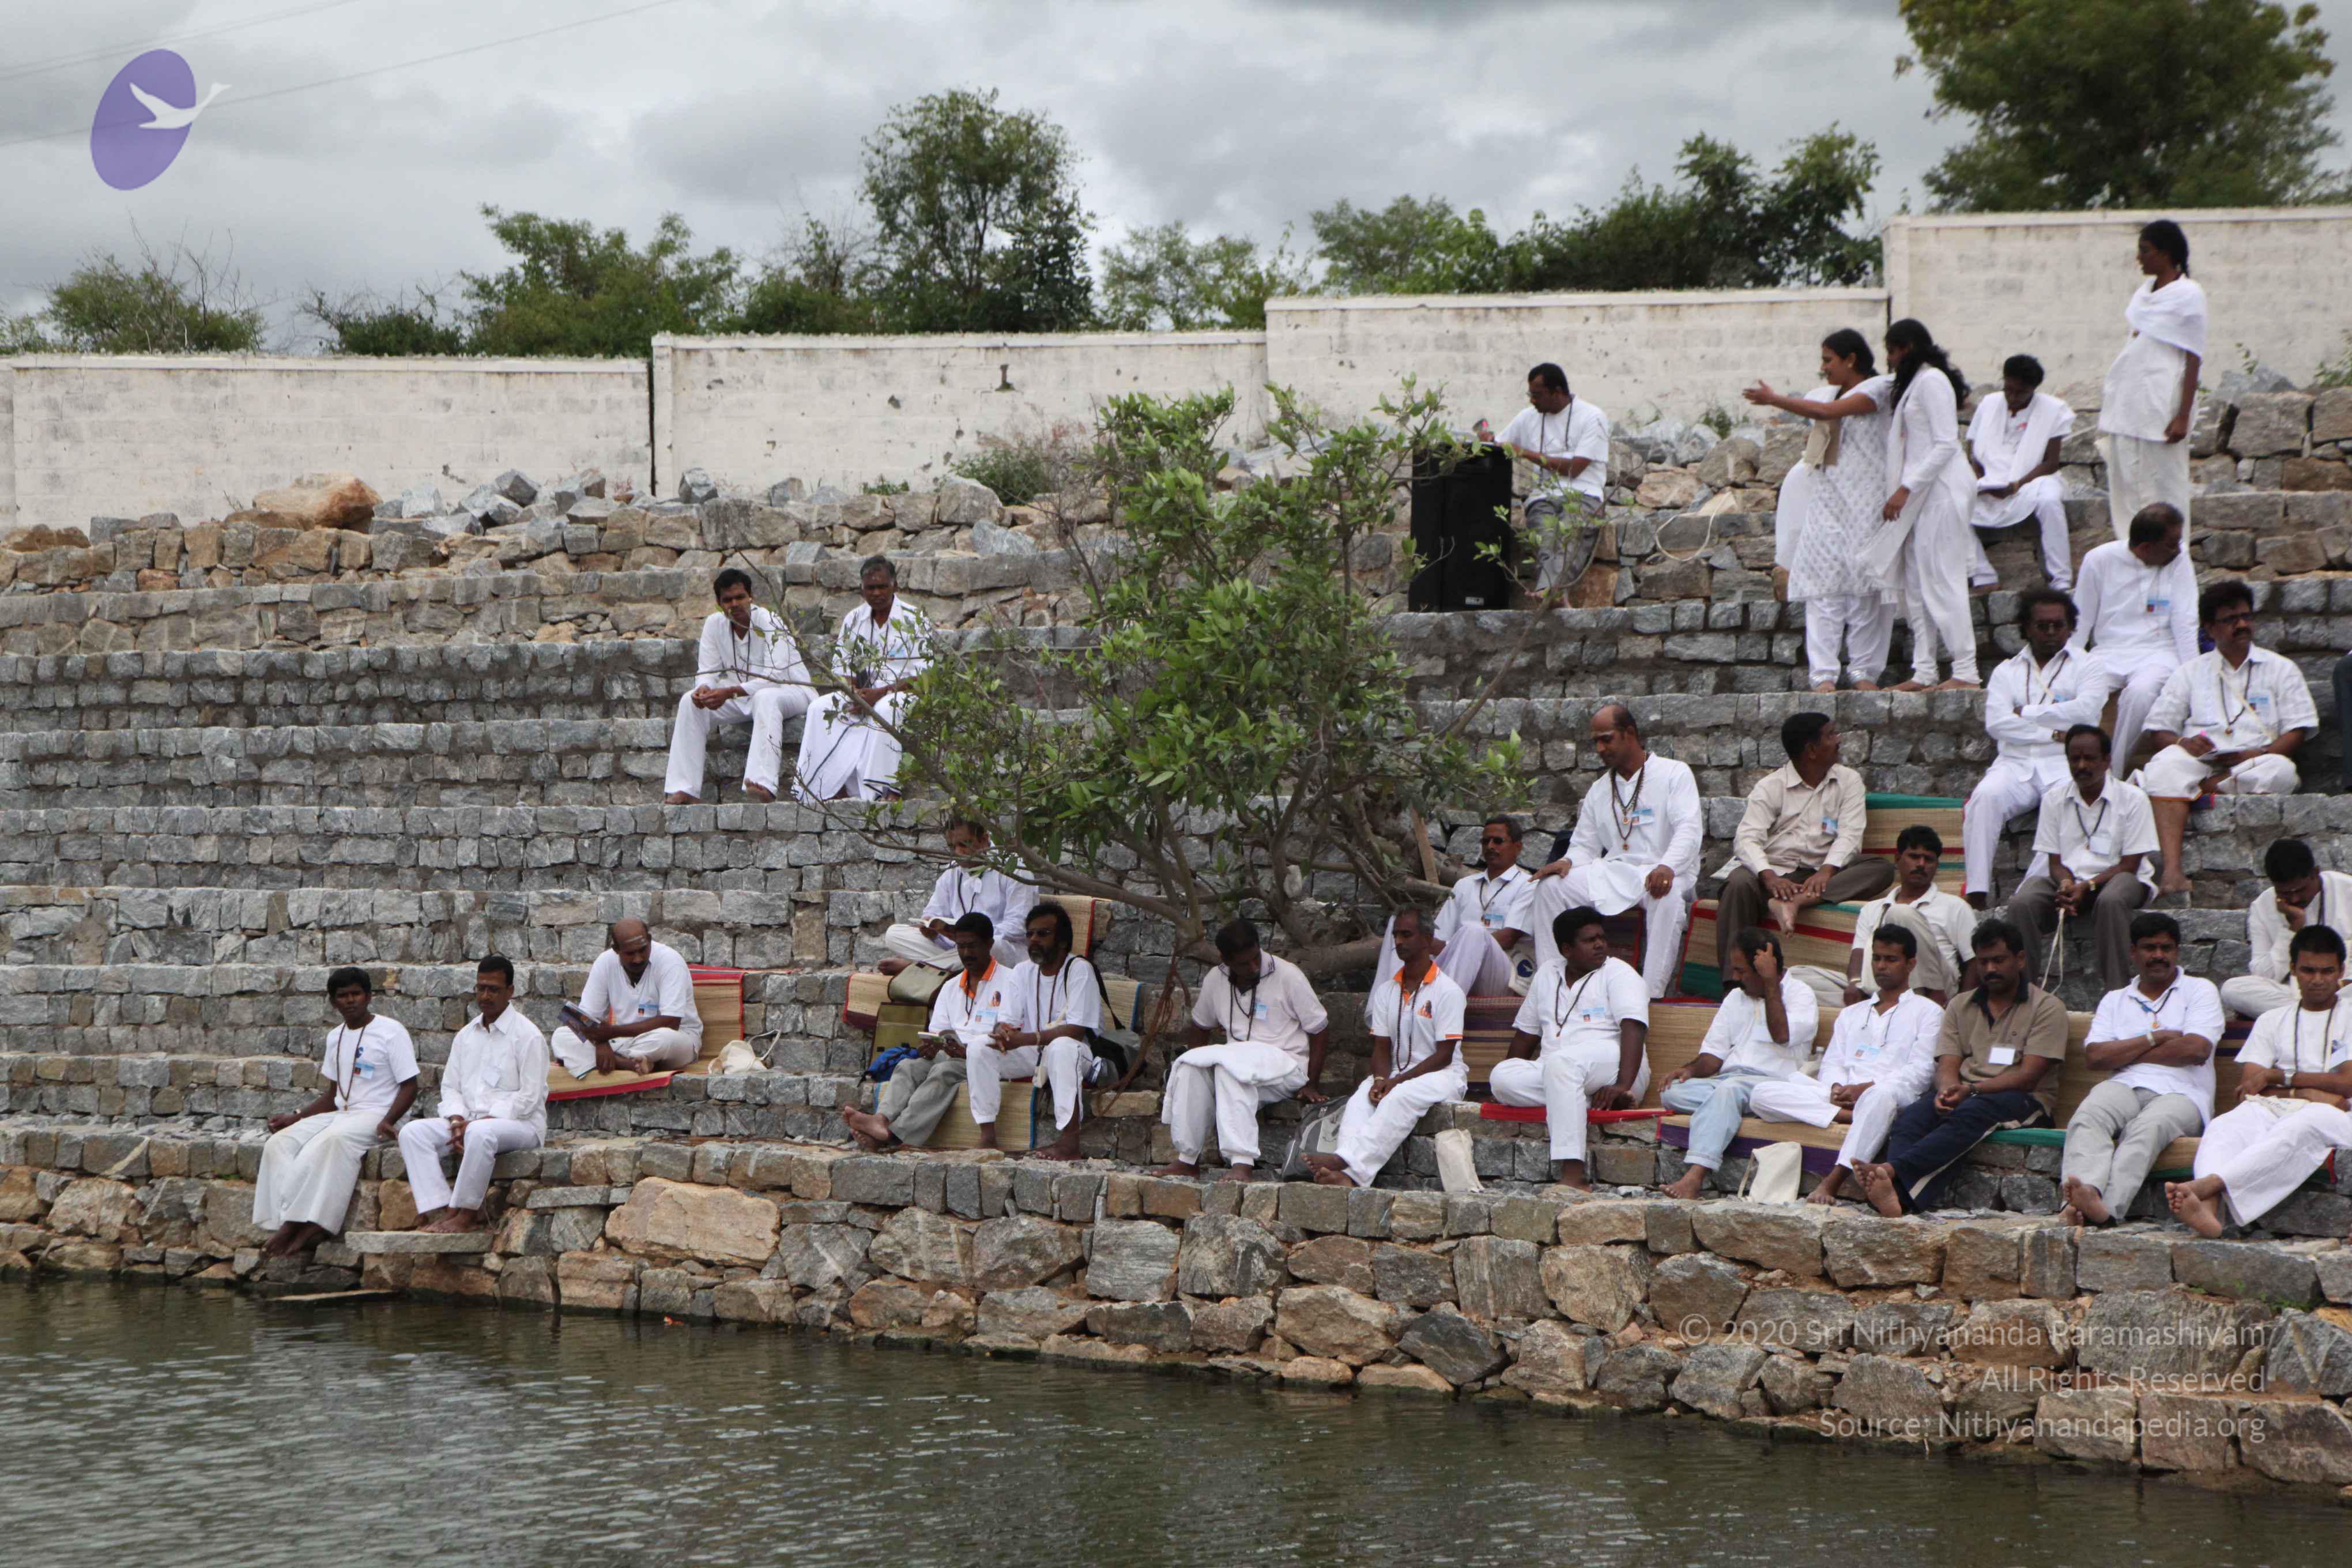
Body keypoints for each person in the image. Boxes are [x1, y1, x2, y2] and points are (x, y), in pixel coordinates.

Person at [1852, 919, 2068, 1215]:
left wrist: (1971, 1090)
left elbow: (2028, 1076)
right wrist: (1946, 1092)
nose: (1990, 969)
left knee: (1971, 1113)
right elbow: (1948, 1063)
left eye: (1999, 960)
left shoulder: (2046, 1007)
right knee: (1912, 1117)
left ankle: (1891, 1172)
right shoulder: (1960, 1005)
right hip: (1967, 1094)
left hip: (2025, 1101)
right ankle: (1897, 1201)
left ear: (2020, 960)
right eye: (1983, 962)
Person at [2169, 926, 2352, 1238]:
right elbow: (2249, 1087)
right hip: (2278, 1106)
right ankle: (2208, 1212)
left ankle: (2209, 1185)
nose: (2318, 979)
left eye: (2327, 971)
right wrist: (2308, 1091)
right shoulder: (2272, 1020)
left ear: (2341, 971)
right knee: (2225, 1125)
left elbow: (2347, 1085)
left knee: (2302, 1125)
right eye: (2308, 970)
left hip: (2339, 1115)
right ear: (2293, 969)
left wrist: (2276, 1075)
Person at [2141, 579, 2317, 898]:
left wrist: (2258, 753)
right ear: (2210, 629)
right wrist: (2184, 744)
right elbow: (2159, 729)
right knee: (2162, 767)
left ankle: (2205, 789)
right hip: (2200, 762)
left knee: (2281, 771)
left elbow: (2298, 730)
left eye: (2246, 617)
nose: (2241, 625)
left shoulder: (2281, 669)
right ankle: (2172, 871)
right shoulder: (2189, 672)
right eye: (2231, 619)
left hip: (2256, 760)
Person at [1745, 328, 1899, 691]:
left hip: (1869, 500)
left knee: (1866, 587)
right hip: (1828, 501)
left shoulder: (1879, 389)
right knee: (1823, 586)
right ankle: (1824, 676)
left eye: (1829, 360)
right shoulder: (1828, 393)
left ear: (1851, 360)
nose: (1824, 368)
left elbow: (1826, 412)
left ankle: (1864, 673)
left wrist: (1774, 399)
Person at [1747, 924, 1944, 1208]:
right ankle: (1849, 1116)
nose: (1881, 966)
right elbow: (1833, 1062)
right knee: (1762, 1093)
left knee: (1879, 1098)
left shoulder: (1929, 1012)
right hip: (1844, 1098)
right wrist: (1837, 1088)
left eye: (1891, 959)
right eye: (1877, 958)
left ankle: (1834, 1180)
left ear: (1911, 964)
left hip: (1891, 1095)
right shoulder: (1852, 1013)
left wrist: (1865, 1089)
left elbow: (1921, 1072)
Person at [1526, 704, 1702, 998]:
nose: (1600, 748)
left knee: (1667, 895)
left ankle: (1651, 994)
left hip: (1665, 870)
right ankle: (1553, 986)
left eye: (1606, 739)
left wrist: (1667, 866)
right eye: (1596, 741)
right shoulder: (1599, 789)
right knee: (1550, 889)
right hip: (1615, 871)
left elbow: (1689, 829)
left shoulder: (1673, 773)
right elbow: (1585, 845)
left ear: (1629, 733)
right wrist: (1567, 861)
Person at [2058, 913, 2222, 1227]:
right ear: (2133, 952)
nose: (2158, 955)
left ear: (2177, 951)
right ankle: (2083, 1195)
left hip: (2184, 1093)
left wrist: (2123, 1052)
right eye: (2149, 948)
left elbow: (2196, 1050)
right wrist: (2155, 1038)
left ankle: (2105, 1211)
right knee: (2089, 1114)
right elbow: (2095, 1057)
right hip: (2125, 1086)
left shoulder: (2200, 990)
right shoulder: (2115, 1000)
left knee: (2147, 1128)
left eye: (2166, 948)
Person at [255, 967, 420, 1258]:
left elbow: (410, 1086)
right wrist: (296, 1117)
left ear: (368, 997)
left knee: (331, 1141)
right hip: (342, 1114)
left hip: (378, 1114)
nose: (350, 1000)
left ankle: (308, 1225)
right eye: (343, 996)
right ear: (333, 1002)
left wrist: (389, 1119)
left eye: (356, 994)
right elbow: (333, 1096)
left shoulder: (391, 1032)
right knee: (279, 1143)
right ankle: (283, 1220)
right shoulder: (335, 1037)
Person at [1715, 711, 1893, 974]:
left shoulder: (1849, 781)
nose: (1839, 740)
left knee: (1880, 868)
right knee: (1738, 883)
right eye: (1831, 735)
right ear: (1811, 750)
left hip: (1824, 875)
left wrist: (1827, 870)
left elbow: (1850, 835)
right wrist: (1769, 877)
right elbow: (1746, 838)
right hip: (1776, 874)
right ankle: (1734, 981)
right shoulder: (1771, 786)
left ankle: (1795, 902)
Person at [1487, 904, 1652, 1188]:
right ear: (1567, 949)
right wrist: (1504, 1089)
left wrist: (1624, 1086)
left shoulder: (1619, 973)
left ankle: (1574, 1174)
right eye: (1590, 940)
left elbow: (1634, 1029)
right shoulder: (1547, 974)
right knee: (1501, 1077)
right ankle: (1581, 1099)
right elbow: (1526, 1036)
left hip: (1615, 1063)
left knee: (1561, 1067)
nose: (1600, 945)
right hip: (1559, 1070)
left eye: (1602, 938)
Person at [1963, 590, 2110, 905]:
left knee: (2065, 807)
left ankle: (2024, 897)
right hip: (2014, 763)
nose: (2051, 632)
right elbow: (1997, 724)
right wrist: (2056, 733)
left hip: (2065, 765)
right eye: (2042, 626)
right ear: (2027, 628)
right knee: (1984, 798)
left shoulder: (2089, 665)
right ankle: (1976, 893)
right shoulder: (2007, 671)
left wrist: (2026, 713)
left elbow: (2087, 712)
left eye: (2058, 625)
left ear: (2070, 627)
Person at [1156, 919, 1332, 1181]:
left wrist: (1312, 1084)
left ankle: (1241, 1163)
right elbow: (1200, 1026)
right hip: (1239, 1065)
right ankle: (1187, 1159)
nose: (1253, 968)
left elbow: (1320, 1029)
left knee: (1231, 1071)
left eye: (1256, 959)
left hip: (1285, 1067)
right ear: (1225, 960)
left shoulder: (1289, 975)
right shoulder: (1216, 979)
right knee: (1191, 1068)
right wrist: (1201, 1064)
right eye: (1243, 964)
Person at [1307, 906, 1468, 1189]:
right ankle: (1348, 1176)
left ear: (1427, 940)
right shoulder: (1386, 991)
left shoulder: (1449, 991)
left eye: (1407, 934)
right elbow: (1381, 1047)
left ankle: (1345, 1162)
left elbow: (1444, 1056)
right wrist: (1381, 1079)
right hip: (1396, 1075)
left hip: (1443, 1075)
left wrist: (1396, 1082)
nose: (1399, 941)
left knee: (1399, 1097)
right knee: (1361, 1099)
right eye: (1396, 935)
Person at [1658, 928, 1822, 1200]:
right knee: (1671, 1092)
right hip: (1728, 1082)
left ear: (1765, 969)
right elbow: (1713, 1056)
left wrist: (1771, 985)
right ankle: (1729, 1111)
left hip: (1772, 1085)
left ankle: (1695, 1175)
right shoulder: (1735, 997)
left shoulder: (1800, 994)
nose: (1735, 978)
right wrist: (1689, 1070)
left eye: (1741, 971)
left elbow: (1782, 1035)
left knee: (1729, 1091)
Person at [1860, 318, 1978, 693]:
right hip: (1919, 498)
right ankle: (1924, 670)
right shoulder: (1915, 384)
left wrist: (1904, 489)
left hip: (1940, 490)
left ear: (1908, 348)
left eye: (1893, 351)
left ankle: (1966, 671)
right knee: (1915, 583)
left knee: (1943, 578)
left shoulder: (1932, 381)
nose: (1890, 360)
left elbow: (1946, 444)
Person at [397, 956, 548, 1234]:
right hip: (469, 1122)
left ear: (510, 991)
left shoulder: (528, 1036)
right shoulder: (466, 1036)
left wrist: (478, 1123)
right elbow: (451, 1087)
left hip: (521, 1125)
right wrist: (456, 1120)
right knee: (412, 1133)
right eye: (481, 988)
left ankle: (466, 1214)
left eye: (494, 989)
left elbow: (530, 1097)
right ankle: (441, 1209)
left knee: (480, 1133)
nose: (485, 996)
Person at [2003, 725, 2157, 993]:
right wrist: (2066, 884)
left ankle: (2117, 995)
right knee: (2022, 902)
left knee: (2111, 900)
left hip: (2120, 881)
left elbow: (2130, 865)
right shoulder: (2054, 800)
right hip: (2070, 882)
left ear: (2107, 760)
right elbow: (2055, 863)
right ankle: (2022, 995)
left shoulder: (2133, 799)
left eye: (2089, 758)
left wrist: (2088, 886)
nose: (2082, 766)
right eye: (2075, 759)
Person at [840, 914, 1009, 1152]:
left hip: (986, 1058)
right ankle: (881, 1120)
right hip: (951, 1054)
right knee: (909, 1066)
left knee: (944, 1071)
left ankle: (893, 1137)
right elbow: (937, 1031)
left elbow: (1008, 1032)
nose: (966, 953)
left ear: (989, 944)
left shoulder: (1010, 981)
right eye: (961, 947)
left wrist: (967, 1052)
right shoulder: (950, 987)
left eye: (973, 946)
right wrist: (931, 1047)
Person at [2068, 503, 2199, 778]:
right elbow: (2080, 620)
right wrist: (2065, 668)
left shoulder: (2179, 557)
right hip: (2108, 651)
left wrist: (2195, 676)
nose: (2179, 549)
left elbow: (2185, 620)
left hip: (2160, 651)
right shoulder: (2098, 560)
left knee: (2140, 693)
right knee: (2080, 692)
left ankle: (2111, 773)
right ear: (2145, 548)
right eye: (2171, 544)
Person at [663, 568, 813, 804]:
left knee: (766, 697)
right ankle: (684, 788)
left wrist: (729, 692)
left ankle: (762, 784)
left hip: (791, 691)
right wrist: (704, 689)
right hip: (740, 694)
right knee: (689, 701)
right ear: (719, 604)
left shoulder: (770, 620)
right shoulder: (714, 624)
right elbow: (707, 670)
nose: (735, 604)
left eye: (740, 597)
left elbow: (775, 676)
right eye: (728, 600)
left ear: (751, 597)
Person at [976, 903, 1112, 1162]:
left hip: (1076, 1053)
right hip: (1033, 1052)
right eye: (1030, 934)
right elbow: (1007, 1019)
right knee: (980, 1046)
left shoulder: (1079, 969)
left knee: (1062, 1047)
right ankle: (987, 1137)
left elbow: (1076, 1030)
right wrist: (1002, 1032)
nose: (1034, 940)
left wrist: (1027, 1039)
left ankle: (1070, 1143)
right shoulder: (1022, 970)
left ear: (1062, 941)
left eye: (1043, 934)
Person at [2098, 218, 2205, 540]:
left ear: (2166, 253)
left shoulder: (2189, 294)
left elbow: (2193, 357)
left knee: (2165, 484)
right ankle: (2131, 550)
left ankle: (2173, 552)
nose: (2139, 258)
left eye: (2145, 251)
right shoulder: (2143, 295)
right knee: (2126, 485)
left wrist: (2182, 416)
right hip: (2127, 401)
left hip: (2162, 402)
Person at [1793, 824, 1976, 1009]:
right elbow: (1858, 953)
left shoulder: (1955, 907)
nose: (1921, 864)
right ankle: (1875, 1003)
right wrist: (1854, 983)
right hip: (1877, 986)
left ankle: (1913, 1004)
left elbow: (1974, 962)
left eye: (1928, 859)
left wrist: (1960, 1007)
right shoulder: (1872, 909)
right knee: (1796, 978)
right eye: (1914, 857)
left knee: (1900, 914)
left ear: (1936, 865)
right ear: (1897, 860)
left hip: (1933, 992)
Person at [794, 555, 930, 803]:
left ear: (895, 586)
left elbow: (924, 675)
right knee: (819, 708)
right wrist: (854, 693)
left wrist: (881, 693)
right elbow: (843, 668)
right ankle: (824, 787)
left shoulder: (915, 618)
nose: (876, 593)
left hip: (903, 693)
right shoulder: (853, 619)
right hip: (863, 694)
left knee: (887, 708)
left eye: (882, 586)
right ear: (862, 589)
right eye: (871, 588)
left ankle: (885, 789)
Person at [1486, 362, 1610, 592]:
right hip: (1542, 497)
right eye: (1530, 395)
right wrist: (1489, 440)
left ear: (1557, 392)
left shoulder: (1593, 416)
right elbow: (1499, 445)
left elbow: (1574, 468)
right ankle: (1552, 595)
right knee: (1546, 541)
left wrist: (1524, 452)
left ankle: (1547, 593)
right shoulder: (1527, 417)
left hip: (1584, 495)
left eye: (1537, 395)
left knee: (1568, 539)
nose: (1532, 401)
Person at [1379, 815, 1534, 997]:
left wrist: (1450, 946)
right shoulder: (1465, 885)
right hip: (1456, 965)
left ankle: (1439, 1005)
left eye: (1498, 841)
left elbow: (1509, 938)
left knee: (1474, 932)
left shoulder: (1529, 885)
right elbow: (1440, 934)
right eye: (1486, 841)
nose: (1490, 846)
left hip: (1502, 974)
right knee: (1401, 923)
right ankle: (1389, 1001)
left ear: (1517, 847)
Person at [1963, 355, 2075, 593]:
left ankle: (2061, 579)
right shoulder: (1989, 403)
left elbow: (2051, 463)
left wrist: (2015, 486)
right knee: (1949, 502)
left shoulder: (2053, 409)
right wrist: (1980, 481)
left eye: (2020, 393)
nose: (2012, 397)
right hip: (1990, 482)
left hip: (2032, 480)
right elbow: (1973, 451)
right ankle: (1982, 574)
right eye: (2008, 390)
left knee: (2049, 501)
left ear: (2033, 389)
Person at [548, 917, 701, 1077]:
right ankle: (629, 1063)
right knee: (561, 1036)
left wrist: (610, 1034)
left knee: (664, 1039)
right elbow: (585, 1018)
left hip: (675, 1040)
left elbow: (671, 1022)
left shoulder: (670, 961)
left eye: (643, 950)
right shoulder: (605, 962)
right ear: (616, 949)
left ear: (649, 940)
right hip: (620, 1041)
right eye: (630, 953)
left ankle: (608, 1061)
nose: (638, 959)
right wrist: (601, 1042)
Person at [2221, 839, 2352, 1020]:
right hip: (2293, 993)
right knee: (2232, 989)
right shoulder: (2261, 907)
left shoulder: (2348, 890)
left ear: (2315, 873)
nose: (2295, 899)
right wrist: (2292, 929)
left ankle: (2305, 1015)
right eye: (2285, 893)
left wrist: (2342, 984)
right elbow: (2263, 975)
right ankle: (2318, 1014)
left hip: (2344, 989)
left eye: (2300, 890)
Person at [880, 817, 1028, 975]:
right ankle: (943, 969)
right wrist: (930, 927)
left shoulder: (1014, 868)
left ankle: (917, 969)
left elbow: (1018, 926)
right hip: (954, 949)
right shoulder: (952, 872)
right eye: (952, 846)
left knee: (993, 945)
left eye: (964, 844)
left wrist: (974, 935)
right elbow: (933, 912)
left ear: (984, 839)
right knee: (894, 934)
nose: (958, 852)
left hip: (999, 950)